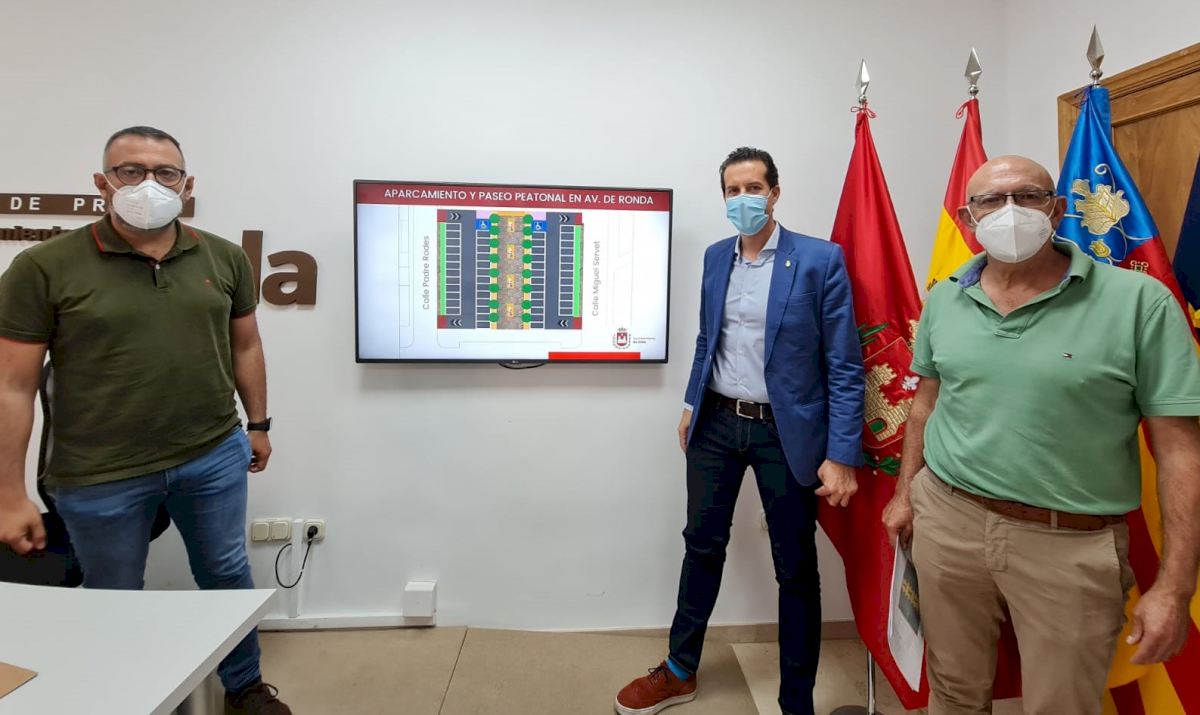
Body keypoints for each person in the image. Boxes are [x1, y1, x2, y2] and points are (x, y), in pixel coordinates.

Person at [882, 155, 1200, 715]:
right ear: (968, 218)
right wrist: (906, 493)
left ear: (1055, 209)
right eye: (991, 200)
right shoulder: (946, 297)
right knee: (953, 691)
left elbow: (1179, 450)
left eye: (1027, 196)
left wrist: (1176, 586)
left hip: (1069, 541)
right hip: (948, 522)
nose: (1010, 211)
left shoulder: (1139, 302)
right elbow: (925, 405)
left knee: (1063, 704)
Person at [0, 126, 290, 714]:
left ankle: (245, 689)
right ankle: (123, 699)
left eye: (165, 173)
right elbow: (12, 386)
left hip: (212, 454)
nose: (148, 184)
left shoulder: (223, 256)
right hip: (98, 473)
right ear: (102, 182)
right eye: (131, 171)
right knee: (113, 596)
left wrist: (257, 425)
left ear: (187, 184)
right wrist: (8, 494)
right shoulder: (43, 267)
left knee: (226, 573)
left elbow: (246, 346)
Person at [615, 147, 865, 715]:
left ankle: (795, 700)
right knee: (701, 546)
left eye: (754, 187)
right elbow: (709, 338)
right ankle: (679, 669)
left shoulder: (819, 260)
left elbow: (846, 365)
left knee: (795, 568)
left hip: (787, 434)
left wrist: (842, 453)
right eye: (733, 190)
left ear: (775, 193)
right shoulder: (714, 257)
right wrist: (690, 403)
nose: (744, 198)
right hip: (716, 423)